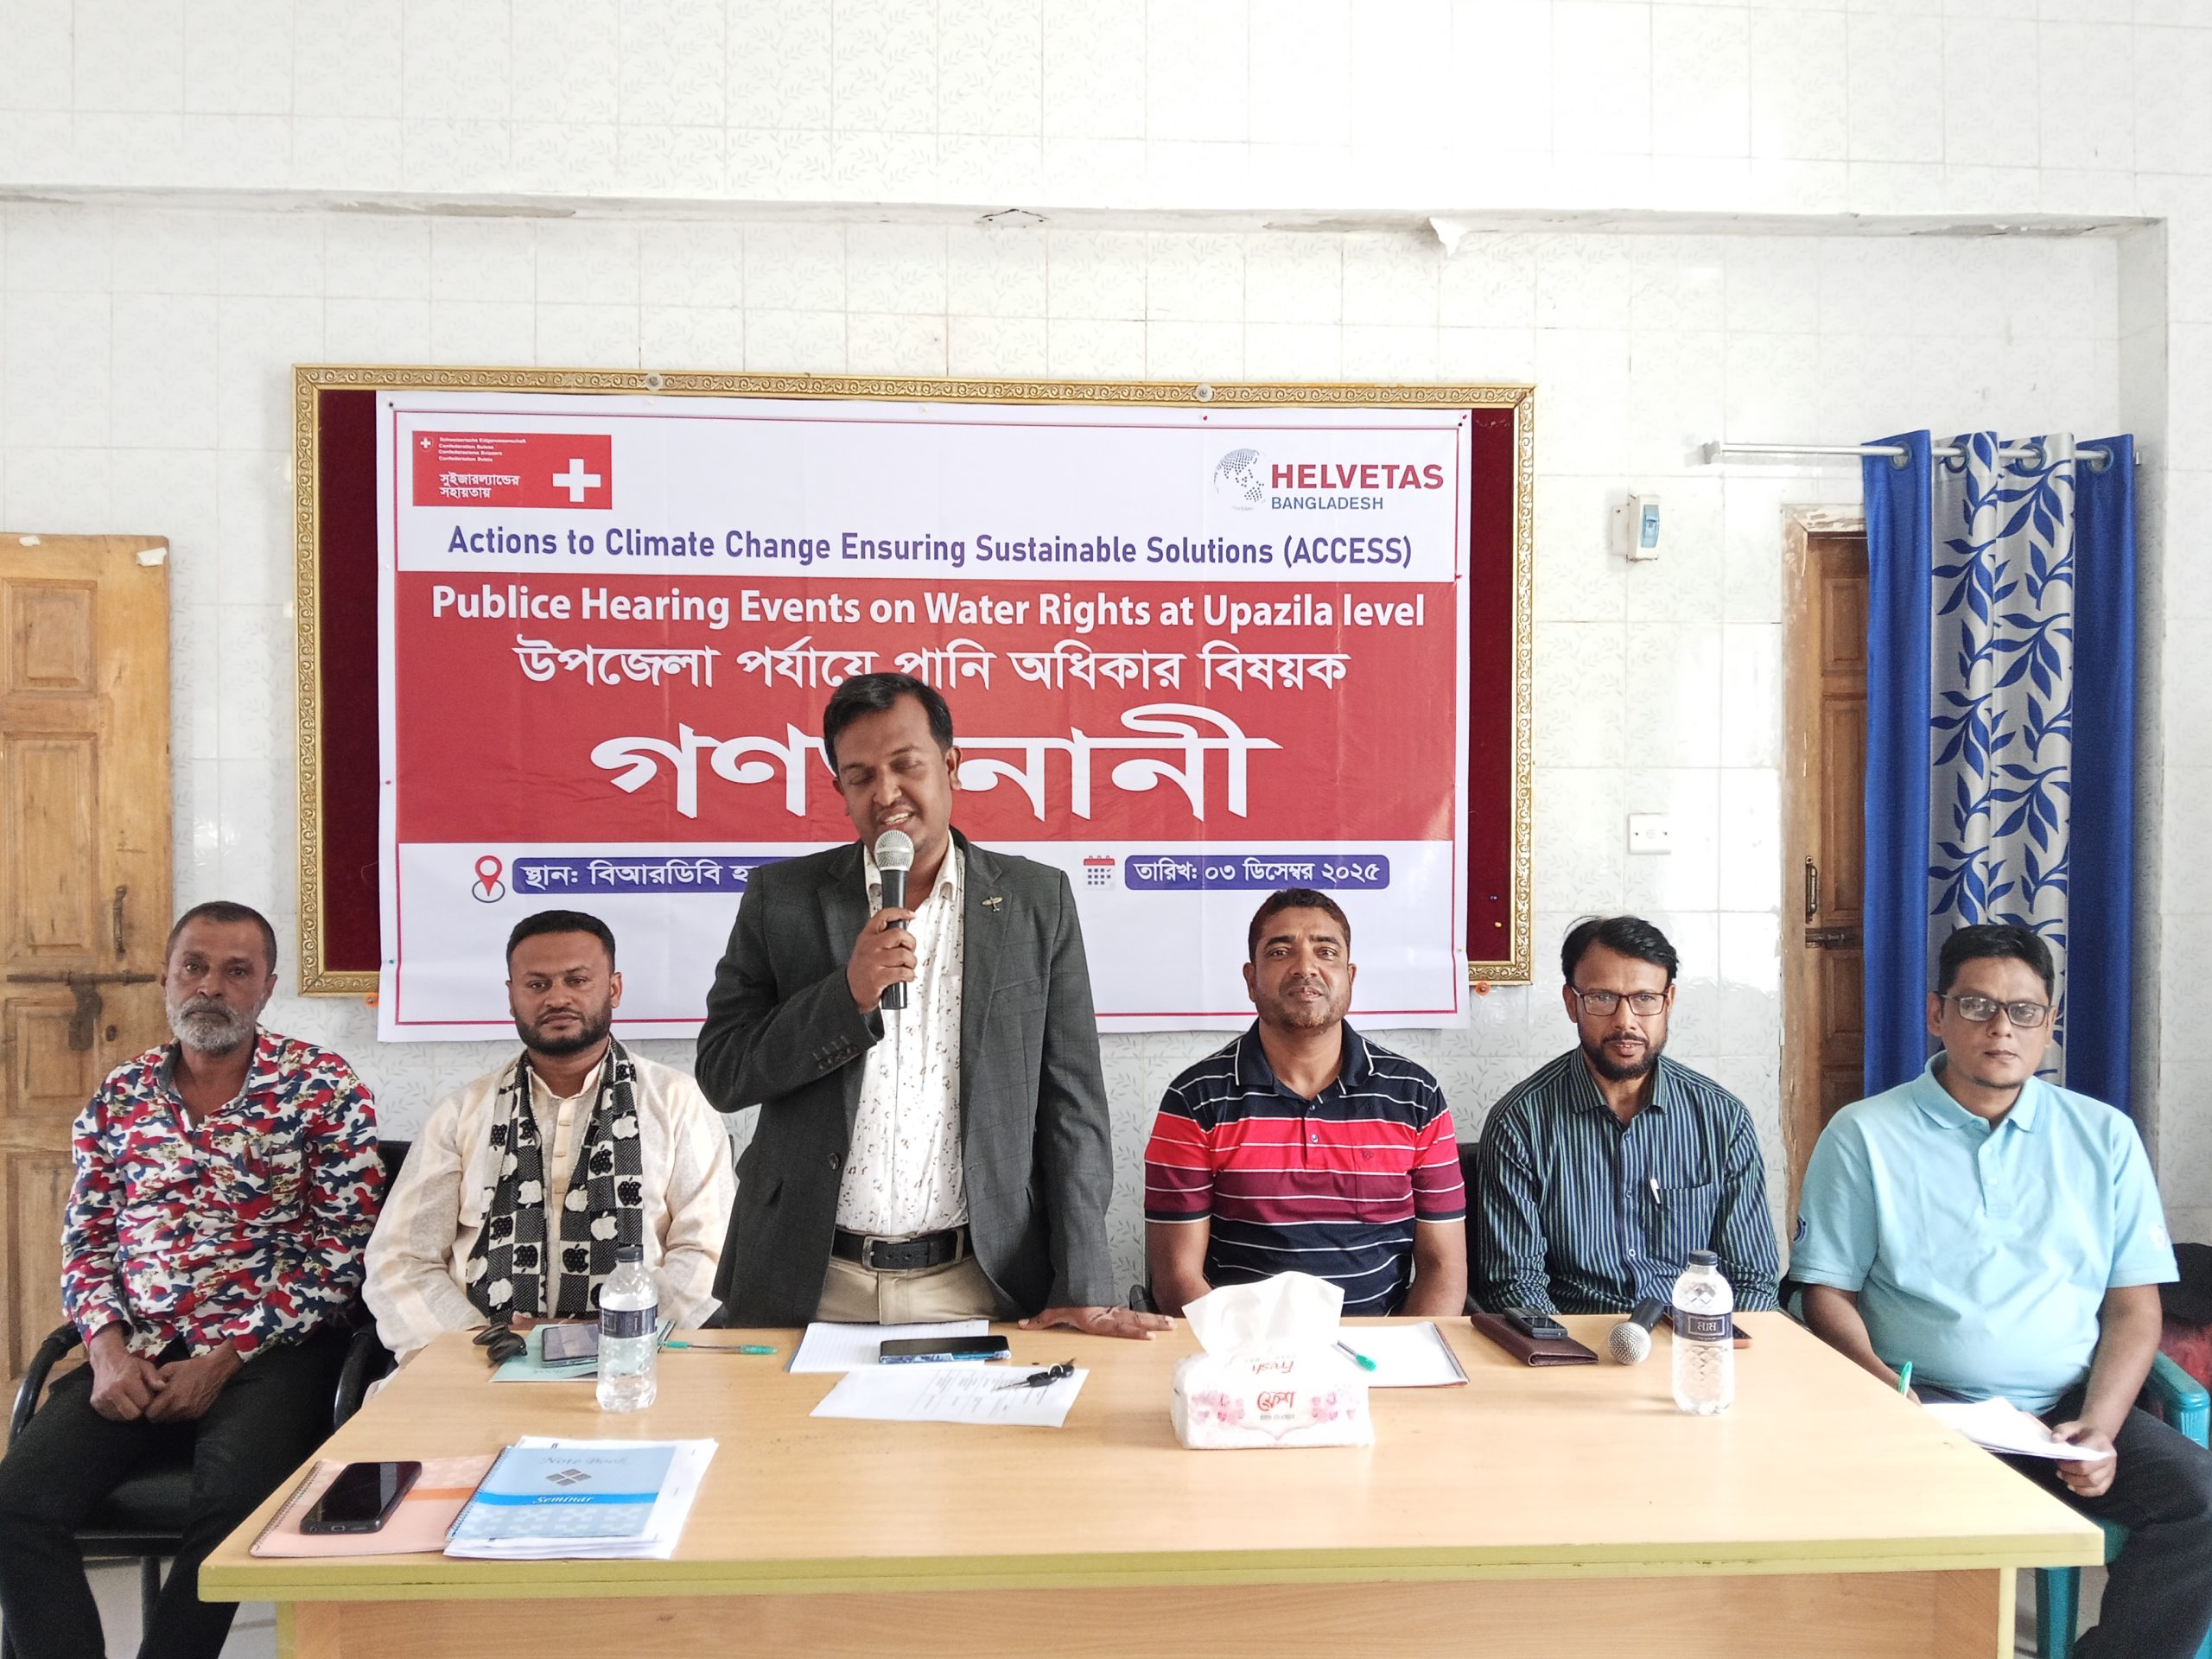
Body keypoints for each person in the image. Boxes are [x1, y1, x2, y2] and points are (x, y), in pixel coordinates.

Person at [696, 672, 1167, 1338]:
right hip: (807, 1283)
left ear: (950, 765)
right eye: (860, 776)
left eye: (905, 765)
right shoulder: (783, 899)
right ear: (839, 789)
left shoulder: (1037, 901)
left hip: (981, 1284)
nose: (886, 793)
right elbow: (724, 1073)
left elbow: (1073, 1107)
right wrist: (846, 997)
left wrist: (1082, 1284)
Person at [1794, 923, 2212, 1659]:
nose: (2001, 1028)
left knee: (2199, 1500)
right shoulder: (1864, 1134)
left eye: (2024, 1011)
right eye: (1977, 1005)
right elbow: (1826, 1291)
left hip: (2063, 1411)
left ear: (2050, 1023)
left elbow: (2133, 1309)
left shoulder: (2105, 1137)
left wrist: (2100, 1428)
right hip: (1923, 1408)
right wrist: (1887, 1389)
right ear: (1937, 1013)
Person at [0, 902, 382, 1659]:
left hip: (270, 1349)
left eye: (237, 971)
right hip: (137, 1345)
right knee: (15, 1506)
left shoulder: (322, 1087)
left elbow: (343, 1250)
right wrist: (105, 1349)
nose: (212, 986)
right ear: (166, 978)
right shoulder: (121, 1094)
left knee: (236, 1503)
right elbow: (86, 1240)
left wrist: (224, 1358)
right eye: (195, 967)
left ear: (267, 987)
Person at [365, 911, 733, 1360]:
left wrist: (610, 1338)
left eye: (577, 980)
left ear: (614, 989)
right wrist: (482, 1343)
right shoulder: (461, 1113)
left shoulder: (677, 1103)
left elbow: (708, 1251)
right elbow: (400, 1260)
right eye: (537, 985)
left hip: (639, 1358)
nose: (558, 998)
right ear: (512, 997)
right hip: (481, 1365)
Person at [1142, 890, 1465, 1317]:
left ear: (1350, 976)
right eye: (1280, 952)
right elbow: (1176, 1277)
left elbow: (1444, 1269)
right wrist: (1249, 1352)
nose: (1305, 967)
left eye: (1325, 952)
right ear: (1251, 980)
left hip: (1382, 1347)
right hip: (1240, 1347)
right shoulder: (1195, 1097)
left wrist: (1404, 1352)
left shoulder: (1414, 1095)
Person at [1474, 914, 1779, 1314]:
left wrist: (1713, 1344)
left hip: (1695, 1337)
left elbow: (1752, 1280)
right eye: (1602, 998)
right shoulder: (1520, 1122)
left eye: (1645, 999)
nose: (1625, 1021)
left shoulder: (1722, 1119)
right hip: (1574, 1337)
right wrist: (1565, 1346)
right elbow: (1516, 1283)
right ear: (1571, 1002)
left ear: (1668, 1001)